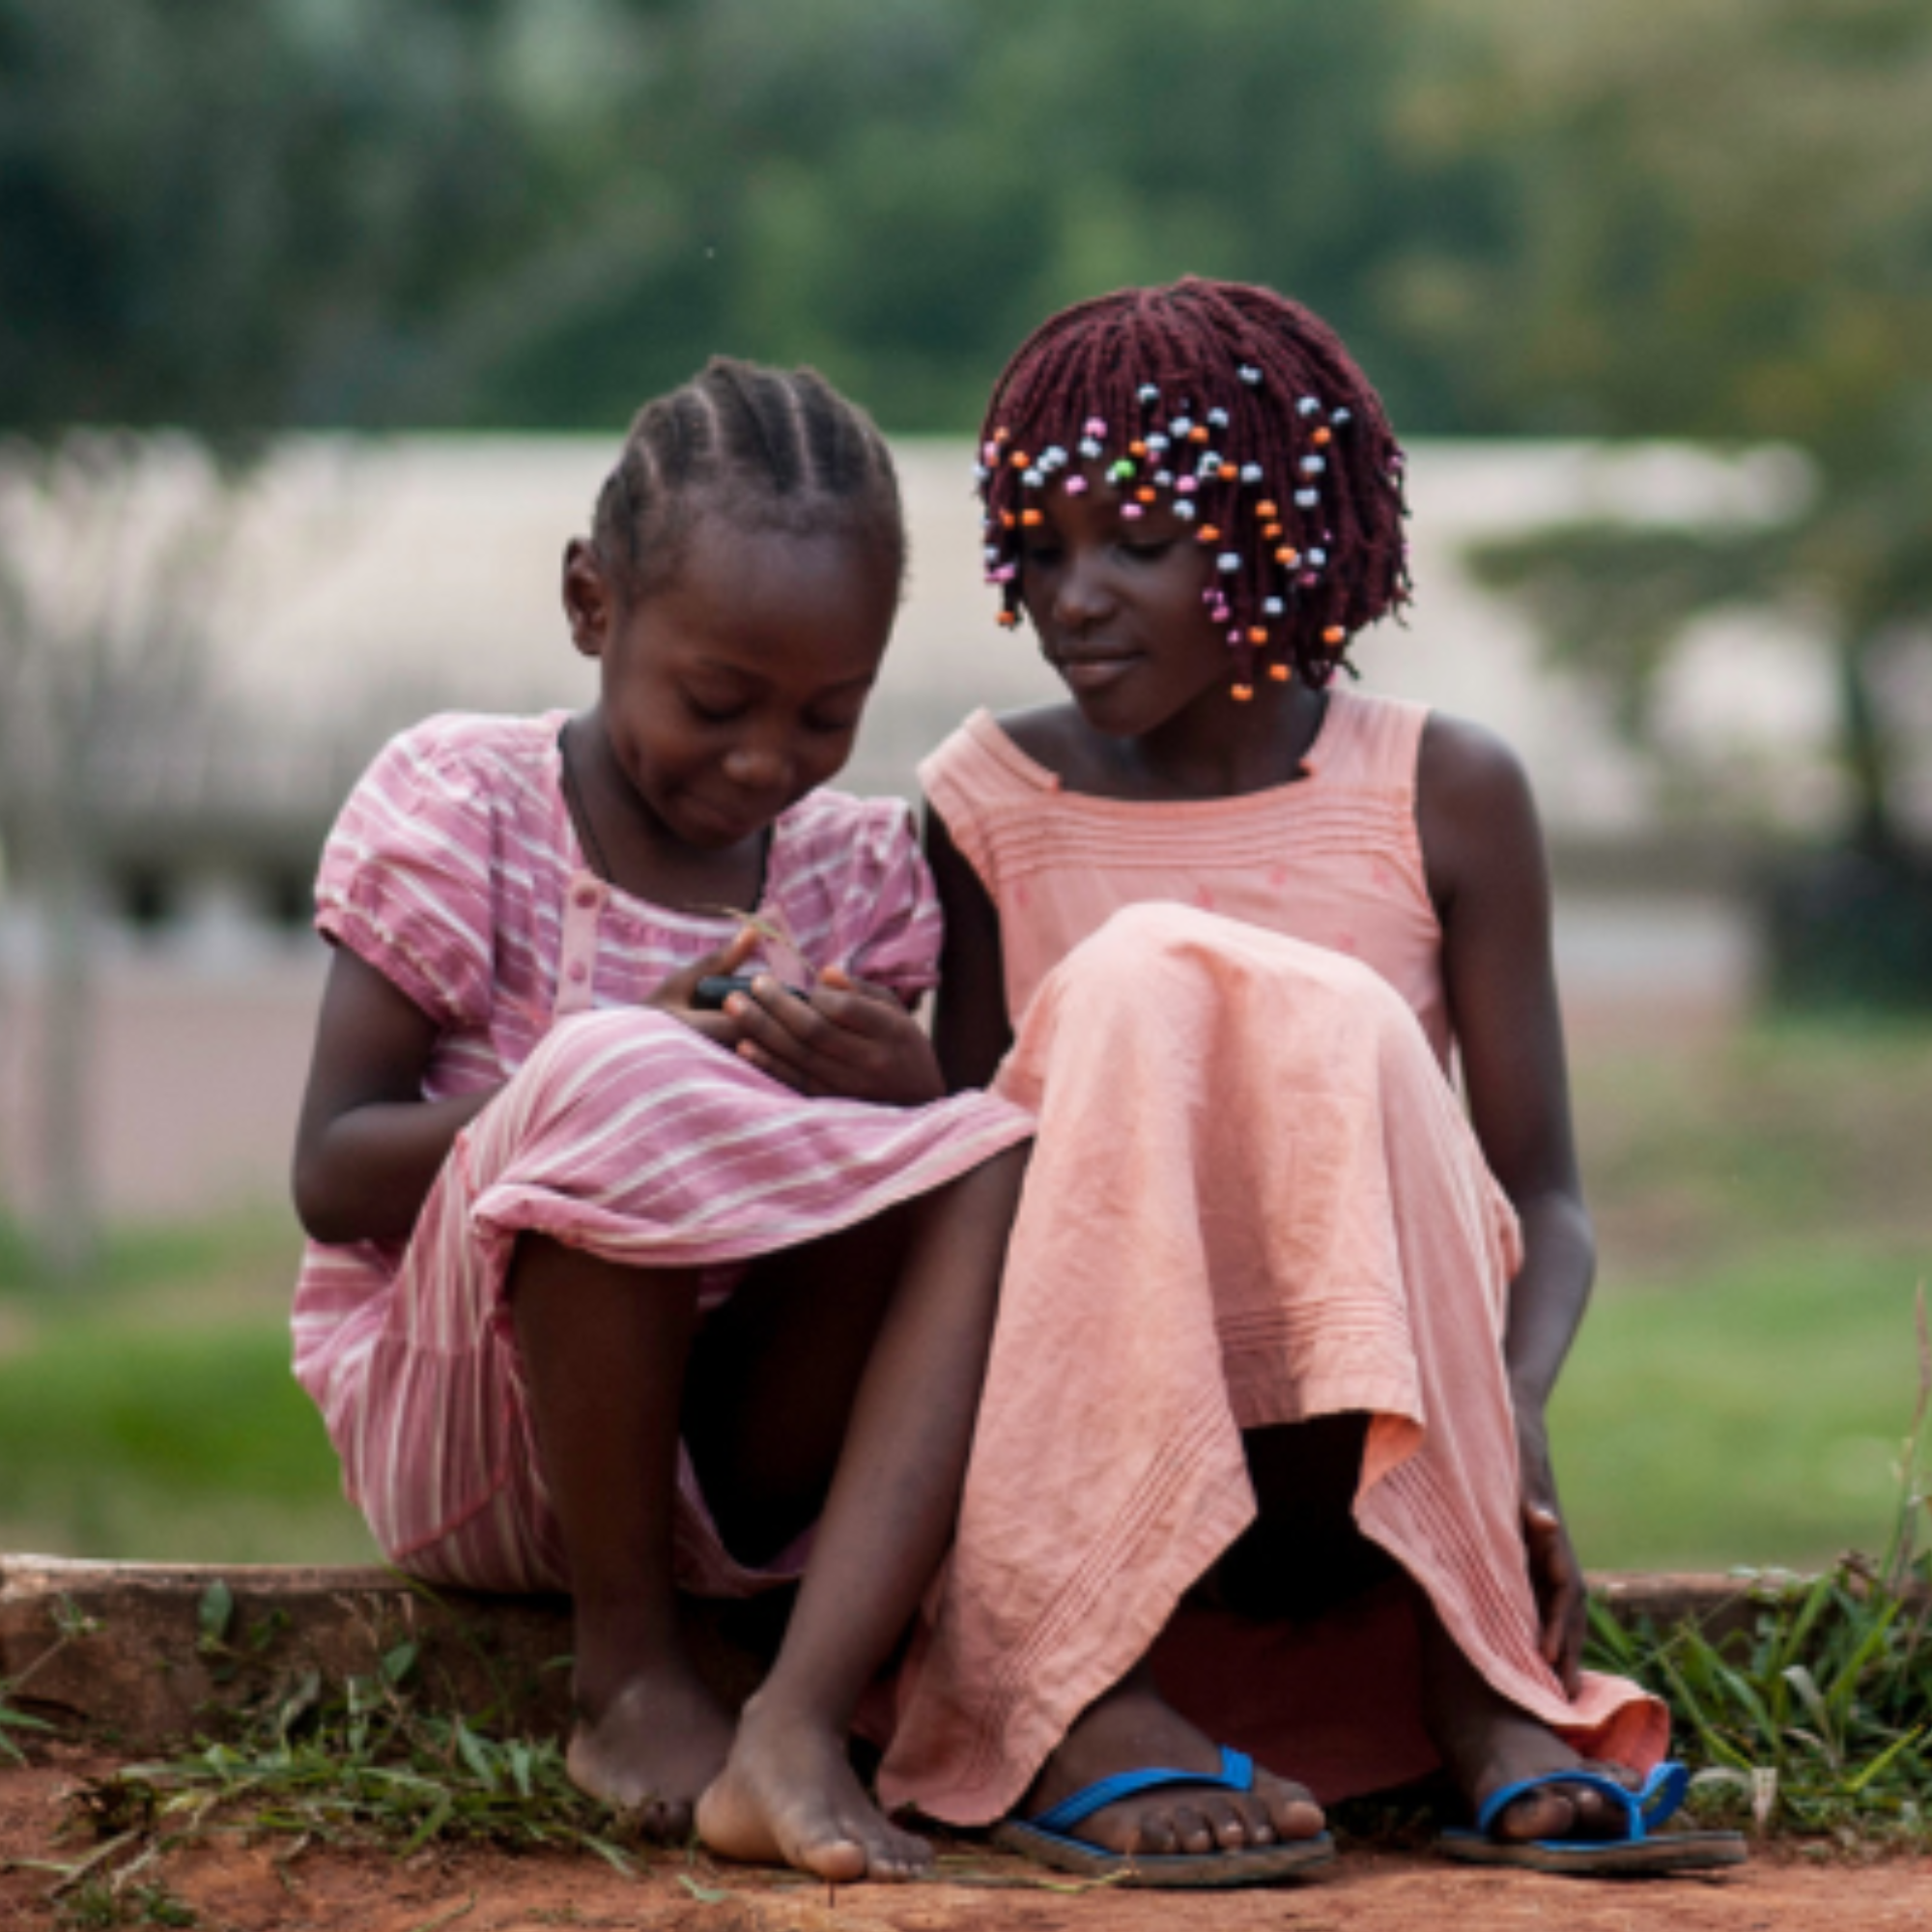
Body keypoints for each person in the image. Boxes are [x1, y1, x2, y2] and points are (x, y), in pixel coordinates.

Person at [877, 279, 1745, 1882]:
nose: (1075, 599)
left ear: (1279, 535)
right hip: (1096, 1448)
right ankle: (1089, 1695)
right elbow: (975, 1223)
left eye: (1139, 544)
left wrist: (1514, 1413)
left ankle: (1473, 1677)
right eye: (1040, 552)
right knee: (1141, 990)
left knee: (1336, 1031)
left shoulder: (1445, 790)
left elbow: (1540, 1196)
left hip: (1369, 1459)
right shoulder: (989, 804)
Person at [290, 357, 1033, 1884]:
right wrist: (619, 1069)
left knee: (986, 1150)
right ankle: (627, 1669)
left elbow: (893, 1191)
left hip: (745, 1462)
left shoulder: (859, 874)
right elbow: (331, 1172)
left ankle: (799, 1707)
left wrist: (900, 1097)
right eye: (715, 702)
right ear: (592, 604)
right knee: (618, 1072)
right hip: (479, 1437)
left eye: (829, 714)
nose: (766, 760)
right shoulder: (465, 804)